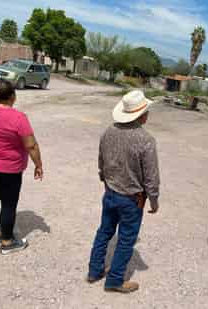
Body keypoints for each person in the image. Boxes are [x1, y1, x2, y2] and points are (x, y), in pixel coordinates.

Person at [87, 90, 160, 294]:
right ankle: (115, 280)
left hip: (110, 193)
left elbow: (102, 163)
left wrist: (106, 181)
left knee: (104, 231)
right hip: (131, 199)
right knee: (127, 238)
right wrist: (154, 201)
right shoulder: (146, 140)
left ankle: (94, 271)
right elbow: (151, 177)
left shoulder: (108, 132)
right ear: (141, 115)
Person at [0, 80, 43, 255]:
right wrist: (38, 165)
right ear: (12, 96)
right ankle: (7, 241)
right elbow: (31, 145)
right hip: (9, 169)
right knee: (9, 204)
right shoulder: (18, 117)